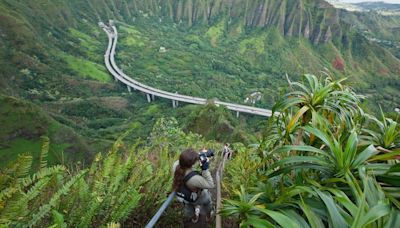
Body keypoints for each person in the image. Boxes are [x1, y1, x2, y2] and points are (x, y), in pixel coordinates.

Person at [172, 148, 214, 222]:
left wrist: (199, 154)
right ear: (192, 163)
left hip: (185, 196)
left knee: (189, 207)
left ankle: (194, 218)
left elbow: (184, 160)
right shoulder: (194, 179)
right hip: (198, 198)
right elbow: (210, 184)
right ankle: (208, 216)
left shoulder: (176, 165)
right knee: (207, 202)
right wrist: (205, 169)